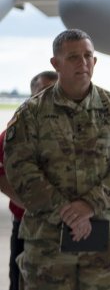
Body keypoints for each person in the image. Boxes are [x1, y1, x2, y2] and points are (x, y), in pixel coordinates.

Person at [3, 28, 110, 290]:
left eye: (87, 56)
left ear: (95, 61)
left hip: (105, 246)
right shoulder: (31, 114)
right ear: (55, 64)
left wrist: (90, 205)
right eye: (72, 57)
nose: (82, 63)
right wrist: (66, 212)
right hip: (48, 245)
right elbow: (20, 169)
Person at [0, 71, 58, 290]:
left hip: (68, 228)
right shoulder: (16, 130)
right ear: (31, 95)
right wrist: (31, 206)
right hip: (28, 226)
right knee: (21, 283)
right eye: (43, 91)